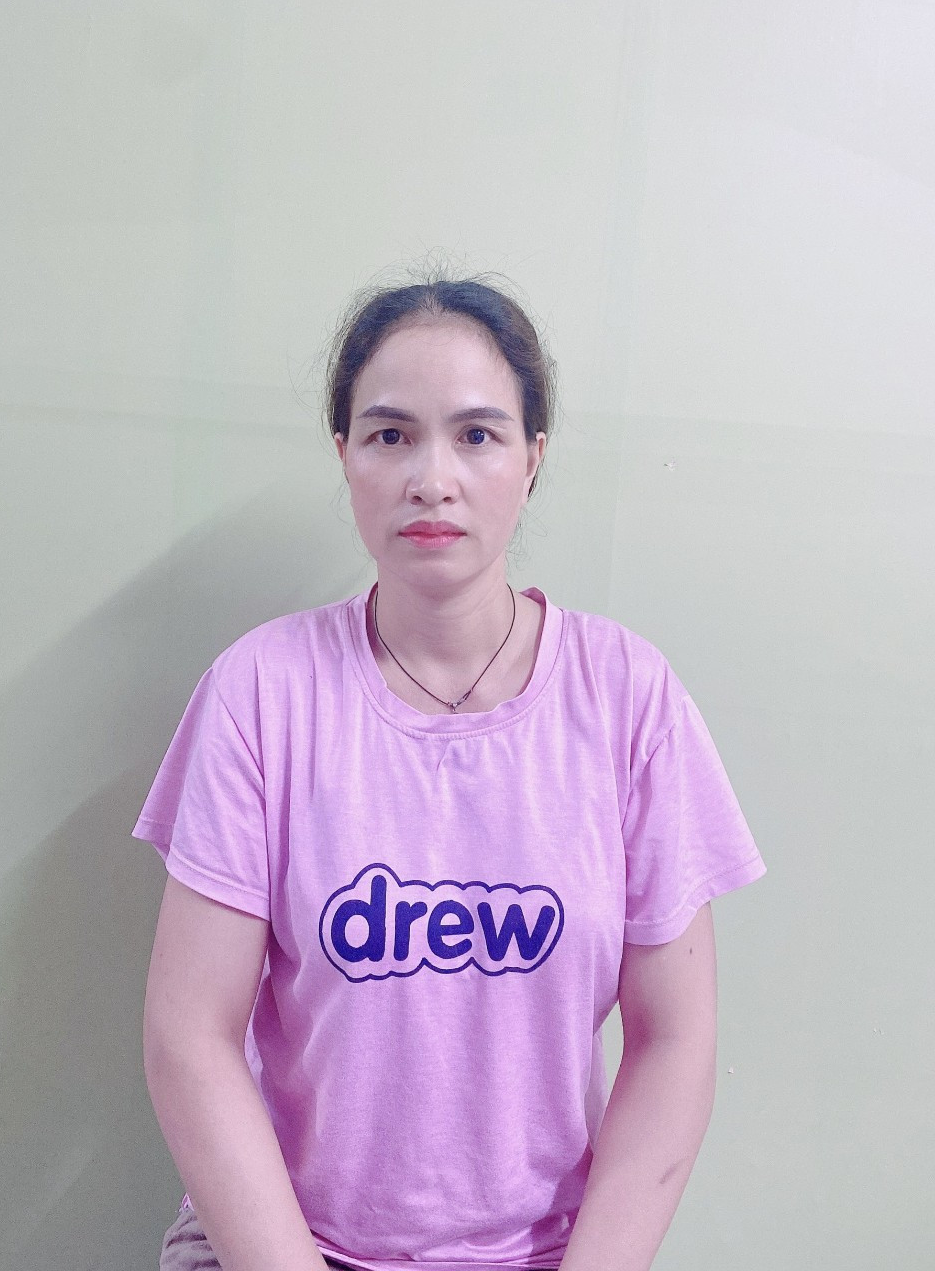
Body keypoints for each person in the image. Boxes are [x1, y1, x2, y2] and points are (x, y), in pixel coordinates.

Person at [133, 273, 767, 1271]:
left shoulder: (627, 697)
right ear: (345, 455)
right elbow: (188, 1034)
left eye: (477, 435)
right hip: (283, 1243)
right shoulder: (260, 690)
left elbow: (674, 1037)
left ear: (532, 458)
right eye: (390, 435)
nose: (433, 478)